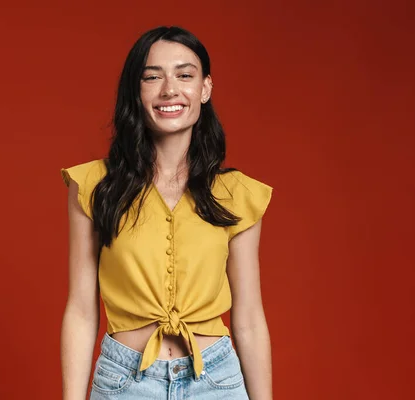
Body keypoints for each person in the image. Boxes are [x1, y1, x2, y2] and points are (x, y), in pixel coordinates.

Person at [60, 26, 273, 400]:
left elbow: (250, 318)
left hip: (217, 382)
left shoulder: (237, 194)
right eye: (152, 77)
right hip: (124, 382)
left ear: (205, 88)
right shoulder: (95, 185)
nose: (169, 89)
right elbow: (80, 309)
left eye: (185, 75)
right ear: (136, 91)